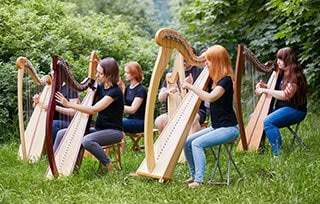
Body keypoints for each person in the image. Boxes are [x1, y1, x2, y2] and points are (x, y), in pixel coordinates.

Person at [181, 45, 239, 188]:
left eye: (208, 60)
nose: (206, 63)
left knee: (197, 143)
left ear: (218, 60)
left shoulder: (225, 80)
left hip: (229, 128)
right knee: (187, 142)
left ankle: (199, 181)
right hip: (216, 127)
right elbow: (200, 97)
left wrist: (192, 87)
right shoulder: (213, 80)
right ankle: (193, 175)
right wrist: (191, 85)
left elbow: (210, 98)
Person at [54, 57, 124, 172]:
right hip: (99, 129)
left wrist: (69, 104)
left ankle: (110, 167)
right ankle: (56, 164)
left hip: (114, 131)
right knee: (62, 133)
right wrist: (87, 88)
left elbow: (93, 110)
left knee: (87, 141)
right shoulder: (101, 87)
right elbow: (90, 92)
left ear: (109, 75)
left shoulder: (115, 92)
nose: (97, 75)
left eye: (100, 73)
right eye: (97, 72)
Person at [255, 47, 307, 157]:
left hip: (295, 110)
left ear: (288, 60)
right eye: (277, 59)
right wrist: (265, 86)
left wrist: (265, 90)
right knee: (254, 117)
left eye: (280, 59)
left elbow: (285, 95)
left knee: (268, 121)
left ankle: (278, 155)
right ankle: (259, 146)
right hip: (282, 108)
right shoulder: (282, 73)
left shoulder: (295, 76)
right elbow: (278, 89)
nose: (277, 61)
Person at [155, 49, 207, 134]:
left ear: (192, 59)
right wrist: (167, 92)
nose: (183, 63)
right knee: (160, 121)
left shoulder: (201, 71)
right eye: (181, 61)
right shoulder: (172, 74)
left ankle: (192, 145)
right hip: (177, 110)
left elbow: (206, 94)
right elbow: (160, 98)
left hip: (197, 109)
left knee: (192, 120)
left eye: (186, 61)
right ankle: (171, 145)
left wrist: (189, 86)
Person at [33, 72, 80, 143]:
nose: (52, 72)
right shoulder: (51, 87)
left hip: (68, 121)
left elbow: (74, 112)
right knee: (46, 123)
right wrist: (37, 102)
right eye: (51, 70)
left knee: (52, 124)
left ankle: (55, 149)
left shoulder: (70, 88)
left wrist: (55, 107)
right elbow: (43, 107)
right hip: (53, 120)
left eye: (54, 69)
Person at [122, 61, 147, 133]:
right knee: (111, 121)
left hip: (140, 122)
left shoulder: (140, 90)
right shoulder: (127, 88)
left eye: (127, 73)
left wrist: (118, 106)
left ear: (134, 74)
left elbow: (133, 110)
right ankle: (119, 143)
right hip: (130, 120)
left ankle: (121, 143)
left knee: (116, 122)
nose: (125, 75)